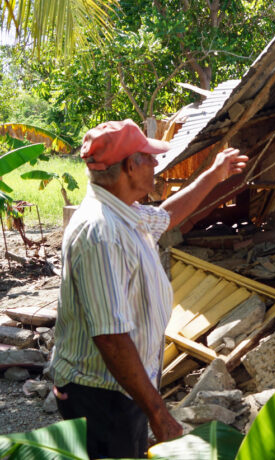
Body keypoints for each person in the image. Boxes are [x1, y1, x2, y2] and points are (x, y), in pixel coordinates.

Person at [49, 119, 248, 459]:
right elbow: (111, 337)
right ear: (130, 166)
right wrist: (159, 413)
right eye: (149, 157)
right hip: (101, 395)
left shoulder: (124, 211)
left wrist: (214, 176)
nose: (157, 164)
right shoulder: (101, 232)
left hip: (123, 388)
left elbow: (166, 217)